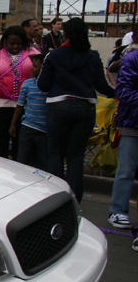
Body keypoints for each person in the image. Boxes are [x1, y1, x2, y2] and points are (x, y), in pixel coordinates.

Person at [37, 17, 116, 203]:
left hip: (58, 105)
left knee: (55, 153)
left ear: (66, 33)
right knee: (76, 155)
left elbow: (42, 83)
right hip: (85, 107)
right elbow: (102, 86)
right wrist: (120, 93)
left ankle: (53, 198)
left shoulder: (54, 55)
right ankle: (74, 200)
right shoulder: (93, 56)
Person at [0, 25, 39, 159]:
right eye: (12, 43)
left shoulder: (32, 52)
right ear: (5, 41)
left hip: (24, 105)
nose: (15, 47)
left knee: (20, 140)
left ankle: (18, 171)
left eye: (19, 44)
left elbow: (43, 68)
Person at [107, 40, 138, 229]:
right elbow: (123, 91)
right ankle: (117, 211)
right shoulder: (133, 58)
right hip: (133, 123)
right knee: (126, 170)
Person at [9, 53, 48, 171]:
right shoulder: (27, 84)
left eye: (35, 66)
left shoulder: (51, 86)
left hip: (44, 131)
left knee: (43, 163)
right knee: (23, 162)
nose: (32, 68)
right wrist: (13, 124)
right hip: (28, 128)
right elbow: (20, 106)